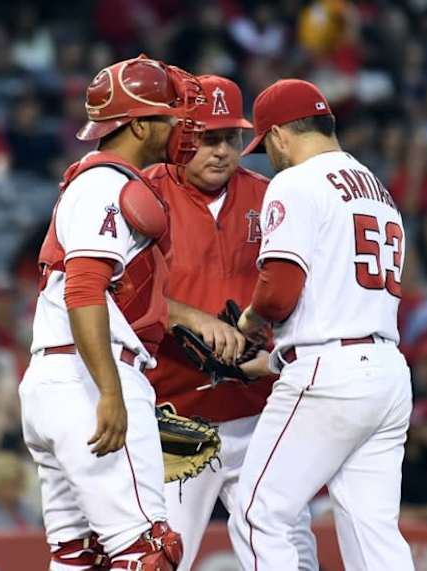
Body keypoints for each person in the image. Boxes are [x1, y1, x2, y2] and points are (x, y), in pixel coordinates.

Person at [19, 55, 205, 570]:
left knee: (79, 557)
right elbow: (84, 289)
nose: (181, 126)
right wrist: (110, 390)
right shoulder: (104, 186)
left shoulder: (93, 182)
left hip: (56, 379)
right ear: (140, 124)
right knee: (147, 553)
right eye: (170, 116)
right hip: (87, 379)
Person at [228, 79, 415, 570]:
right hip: (387, 371)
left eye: (267, 144)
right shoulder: (377, 190)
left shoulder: (297, 181)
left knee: (256, 512)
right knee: (373, 532)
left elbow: (279, 289)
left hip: (330, 372)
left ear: (283, 134)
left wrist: (249, 321)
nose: (269, 156)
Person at [145, 75, 318, 571]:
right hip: (174, 415)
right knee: (161, 553)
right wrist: (190, 317)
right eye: (207, 138)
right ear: (181, 134)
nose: (221, 151)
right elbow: (122, 290)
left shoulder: (272, 195)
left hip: (260, 409)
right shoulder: (145, 195)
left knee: (287, 548)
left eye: (231, 138)